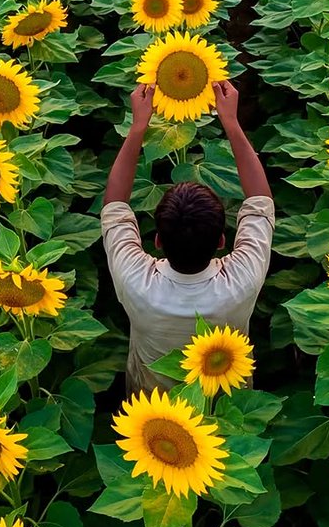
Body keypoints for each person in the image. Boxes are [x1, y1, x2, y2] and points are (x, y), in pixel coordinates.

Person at [101, 79, 274, 396]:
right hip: (228, 407)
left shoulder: (137, 282)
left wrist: (138, 128)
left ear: (157, 241)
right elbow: (260, 203)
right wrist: (231, 123)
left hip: (151, 413)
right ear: (221, 241)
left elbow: (114, 206)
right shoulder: (241, 281)